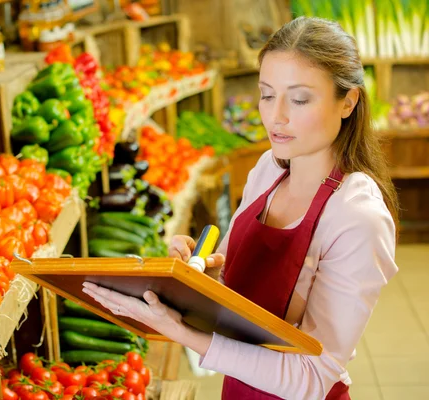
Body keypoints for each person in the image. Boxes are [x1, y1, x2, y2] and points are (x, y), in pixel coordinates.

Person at [82, 16, 399, 400]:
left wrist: (183, 333)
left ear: (347, 101)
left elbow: (315, 376)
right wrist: (193, 276)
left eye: (299, 99)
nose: (276, 116)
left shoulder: (357, 216)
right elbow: (232, 295)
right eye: (267, 94)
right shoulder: (267, 169)